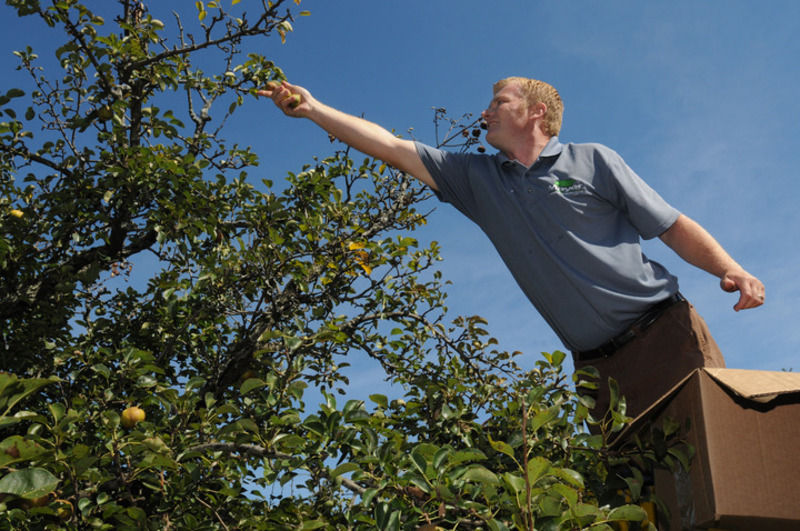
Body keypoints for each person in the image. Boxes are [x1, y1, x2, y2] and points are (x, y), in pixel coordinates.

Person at [258, 77, 765, 420]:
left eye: (498, 102)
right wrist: (315, 110)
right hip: (595, 371)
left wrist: (732, 269)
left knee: (717, 469)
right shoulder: (475, 179)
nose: (485, 112)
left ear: (536, 112)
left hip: (666, 337)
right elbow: (391, 147)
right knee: (640, 498)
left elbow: (671, 225)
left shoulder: (592, 161)